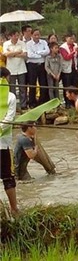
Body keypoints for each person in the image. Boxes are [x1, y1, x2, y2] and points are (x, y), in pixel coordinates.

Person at [0, 67, 19, 214]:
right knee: (8, 177)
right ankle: (14, 209)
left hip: (3, 143)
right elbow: (9, 119)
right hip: (3, 144)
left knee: (8, 177)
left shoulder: (10, 96)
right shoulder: (10, 96)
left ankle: (12, 209)